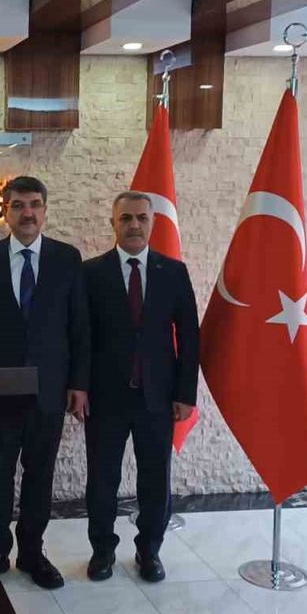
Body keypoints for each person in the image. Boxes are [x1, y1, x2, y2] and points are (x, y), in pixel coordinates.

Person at [0, 176, 89, 590]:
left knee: (40, 473)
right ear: (6, 212)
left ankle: (32, 551)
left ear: (45, 210)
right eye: (18, 205)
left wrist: (79, 383)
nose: (27, 212)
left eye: (34, 204)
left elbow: (79, 326)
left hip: (49, 390)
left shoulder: (67, 259)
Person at [83, 190, 199, 583]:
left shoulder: (173, 272)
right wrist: (79, 387)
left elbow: (189, 335)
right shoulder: (91, 273)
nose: (134, 225)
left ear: (152, 223)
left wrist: (185, 393)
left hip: (158, 398)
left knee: (155, 479)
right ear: (113, 224)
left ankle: (149, 551)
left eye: (141, 218)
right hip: (105, 397)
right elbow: (81, 336)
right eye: (126, 218)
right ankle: (102, 551)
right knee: (102, 479)